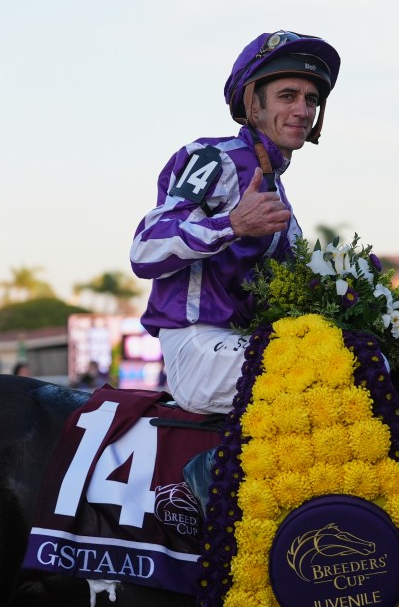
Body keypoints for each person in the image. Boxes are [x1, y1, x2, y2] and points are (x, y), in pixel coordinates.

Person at [129, 31, 341, 414]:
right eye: (287, 96)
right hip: (198, 346)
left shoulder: (277, 193)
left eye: (311, 100)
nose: (303, 110)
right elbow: (146, 250)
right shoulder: (213, 157)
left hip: (243, 342)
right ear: (253, 105)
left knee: (363, 356)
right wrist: (233, 225)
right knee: (333, 369)